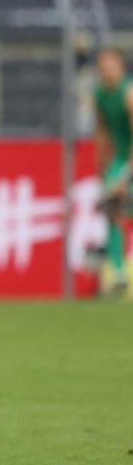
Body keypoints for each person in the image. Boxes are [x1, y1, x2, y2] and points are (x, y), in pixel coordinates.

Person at [95, 48, 133, 293]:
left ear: (121, 66)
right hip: (120, 157)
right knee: (112, 209)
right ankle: (118, 270)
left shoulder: (129, 95)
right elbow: (102, 131)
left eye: (110, 66)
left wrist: (126, 174)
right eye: (102, 67)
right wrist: (104, 166)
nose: (106, 71)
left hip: (129, 157)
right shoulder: (100, 94)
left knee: (119, 202)